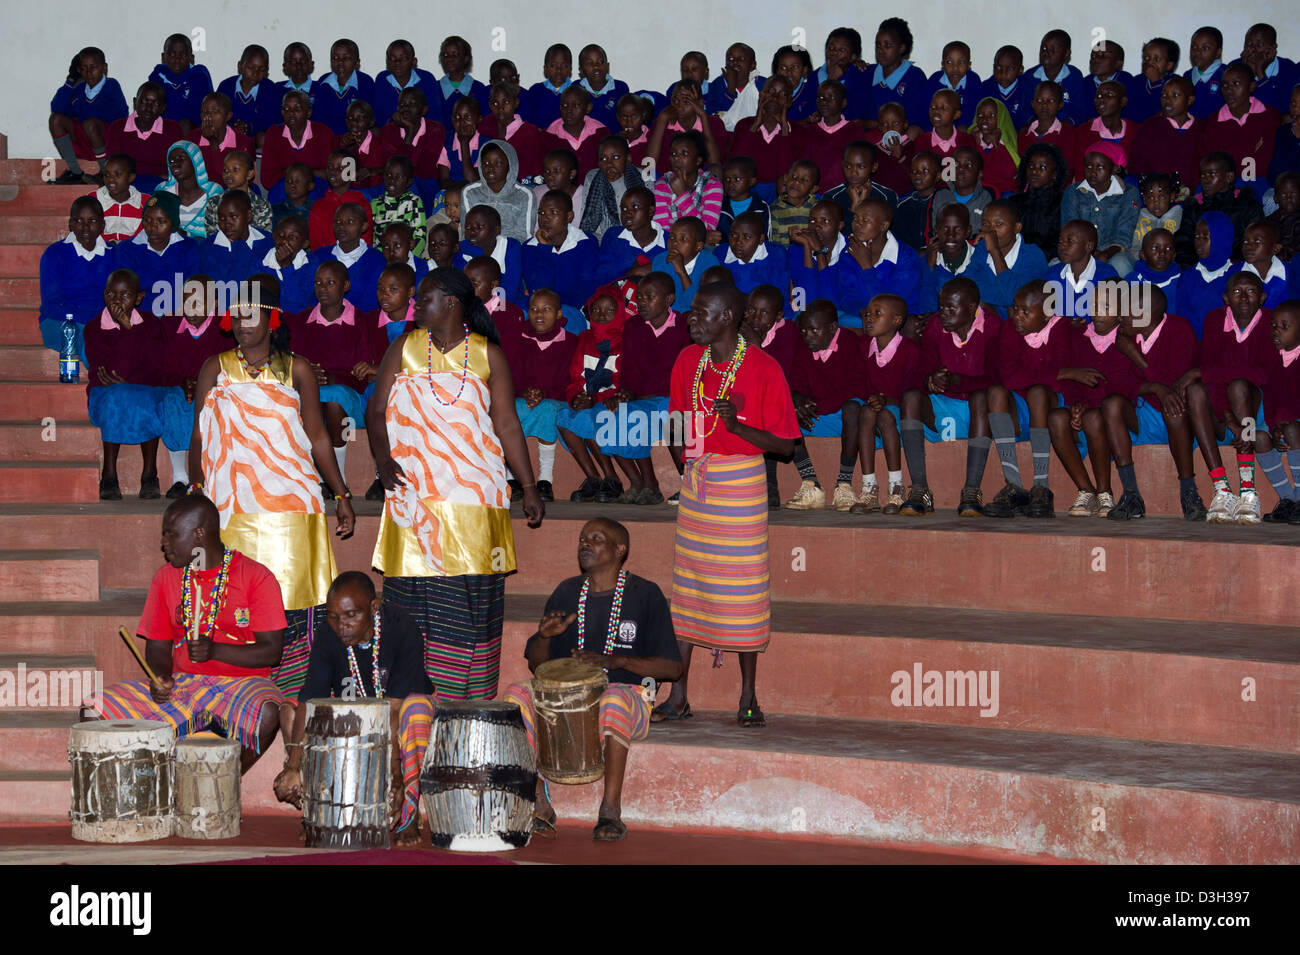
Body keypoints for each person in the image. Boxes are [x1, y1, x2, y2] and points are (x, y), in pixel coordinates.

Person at [369, 268, 543, 699]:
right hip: (415, 496)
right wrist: (381, 457)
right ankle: (411, 700)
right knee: (411, 597)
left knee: (468, 599)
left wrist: (530, 484)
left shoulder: (487, 355)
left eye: (423, 298)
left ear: (450, 302)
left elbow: (506, 423)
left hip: (473, 497)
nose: (414, 306)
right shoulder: (405, 348)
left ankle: (464, 705)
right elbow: (375, 413)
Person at [189, 276, 354, 701]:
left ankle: (298, 698)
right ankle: (239, 698)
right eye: (236, 315)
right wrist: (194, 487)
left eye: (251, 314)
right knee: (239, 604)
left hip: (292, 510)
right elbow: (199, 437)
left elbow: (318, 436)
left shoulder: (297, 369)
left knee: (295, 604)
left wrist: (341, 495)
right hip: (231, 508)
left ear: (271, 317)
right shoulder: (215, 368)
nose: (243, 323)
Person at [653, 282, 799, 727]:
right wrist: (684, 463)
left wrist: (738, 428)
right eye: (693, 311)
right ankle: (678, 696)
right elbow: (677, 419)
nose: (690, 319)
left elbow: (787, 447)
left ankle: (749, 697)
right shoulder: (687, 361)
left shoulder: (762, 368)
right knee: (689, 588)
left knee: (744, 589)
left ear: (729, 317)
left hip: (741, 485)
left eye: (701, 313)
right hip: (699, 486)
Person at [503, 518, 681, 841]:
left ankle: (610, 810)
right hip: (565, 701)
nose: (585, 544)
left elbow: (672, 668)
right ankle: (538, 800)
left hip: (628, 697)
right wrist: (545, 637)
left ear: (619, 550)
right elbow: (536, 663)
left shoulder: (645, 594)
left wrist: (619, 661)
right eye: (582, 539)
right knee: (516, 694)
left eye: (596, 539)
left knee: (612, 698)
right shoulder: (567, 591)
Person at [92, 495, 287, 773]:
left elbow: (272, 650)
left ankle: (225, 785)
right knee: (94, 709)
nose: (164, 543)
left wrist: (216, 651)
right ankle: (142, 794)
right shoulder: (165, 577)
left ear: (199, 533)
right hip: (184, 686)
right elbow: (158, 647)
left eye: (171, 534)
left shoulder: (256, 576)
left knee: (269, 711)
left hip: (242, 686)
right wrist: (160, 676)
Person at [274, 571, 435, 844]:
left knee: (415, 710)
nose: (342, 626)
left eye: (352, 616)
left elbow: (393, 712)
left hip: (399, 713)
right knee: (291, 709)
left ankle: (408, 813)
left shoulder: (401, 627)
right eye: (334, 617)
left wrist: (395, 775)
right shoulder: (328, 633)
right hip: (353, 709)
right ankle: (318, 811)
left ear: (373, 607)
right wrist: (294, 764)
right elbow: (309, 700)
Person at [1101, 285, 1206, 520]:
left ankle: (1189, 492)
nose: (1120, 317)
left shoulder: (1179, 329)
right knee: (1111, 404)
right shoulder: (1123, 336)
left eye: (1126, 311)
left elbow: (1174, 384)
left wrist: (1136, 357)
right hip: (1142, 414)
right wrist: (1155, 388)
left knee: (1174, 408)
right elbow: (1115, 383)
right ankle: (1131, 495)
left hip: (1178, 419)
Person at [900, 277, 1001, 517]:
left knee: (981, 396)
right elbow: (919, 370)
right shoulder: (936, 326)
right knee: (911, 397)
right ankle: (920, 490)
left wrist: (956, 380)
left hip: (981, 413)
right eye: (941, 307)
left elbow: (997, 377)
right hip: (945, 405)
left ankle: (972, 491)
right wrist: (930, 379)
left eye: (950, 308)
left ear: (971, 307)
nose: (943, 313)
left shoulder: (993, 326)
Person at [1185, 271, 1274, 524]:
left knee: (1238, 386)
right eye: (1237, 292)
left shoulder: (1270, 321)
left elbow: (1262, 374)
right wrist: (1228, 416)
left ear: (1262, 298)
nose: (1244, 297)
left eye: (1251, 292)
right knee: (1195, 390)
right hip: (1223, 407)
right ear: (1226, 298)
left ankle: (1248, 489)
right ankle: (1222, 489)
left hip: (1255, 406)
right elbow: (1210, 375)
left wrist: (1203, 371)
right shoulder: (1215, 320)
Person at [1048, 284, 1144, 517]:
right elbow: (1069, 378)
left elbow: (1126, 386)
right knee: (1056, 418)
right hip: (1086, 408)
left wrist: (1087, 407)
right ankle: (1086, 490)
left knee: (1093, 416)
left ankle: (1105, 492)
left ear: (1121, 313)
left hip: (1116, 417)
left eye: (1106, 307)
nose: (1097, 311)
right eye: (1093, 305)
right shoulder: (1078, 336)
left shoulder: (1128, 339)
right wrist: (1075, 405)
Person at [983, 282, 1070, 518]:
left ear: (1047, 315)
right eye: (1015, 309)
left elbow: (1062, 381)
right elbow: (1010, 378)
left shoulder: (1063, 329)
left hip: (1052, 403)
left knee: (1038, 392)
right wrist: (1060, 373)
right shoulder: (1010, 329)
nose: (1017, 317)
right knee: (996, 392)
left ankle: (1041, 487)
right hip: (1021, 401)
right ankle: (1014, 486)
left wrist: (1058, 375)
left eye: (1026, 312)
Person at [85, 269, 164, 501]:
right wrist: (126, 331)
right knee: (117, 396)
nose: (117, 301)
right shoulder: (94, 328)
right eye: (111, 294)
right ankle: (109, 475)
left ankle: (149, 473)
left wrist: (129, 329)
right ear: (104, 295)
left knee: (145, 397)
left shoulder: (151, 324)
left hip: (143, 388)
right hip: (105, 393)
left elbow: (156, 366)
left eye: (125, 295)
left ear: (139, 298)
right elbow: (107, 373)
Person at [614, 272, 691, 503]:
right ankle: (647, 483)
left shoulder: (684, 326)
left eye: (649, 296)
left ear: (668, 300)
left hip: (674, 397)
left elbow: (686, 373)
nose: (642, 302)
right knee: (614, 417)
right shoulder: (633, 327)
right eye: (639, 297)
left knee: (672, 416)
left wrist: (646, 394)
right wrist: (626, 391)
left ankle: (690, 483)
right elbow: (628, 369)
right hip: (644, 397)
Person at [785, 300, 866, 511]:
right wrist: (798, 399)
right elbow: (795, 381)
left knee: (853, 409)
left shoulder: (850, 343)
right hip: (817, 412)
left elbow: (857, 387)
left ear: (832, 328)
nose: (807, 335)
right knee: (785, 408)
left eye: (814, 330)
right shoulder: (803, 345)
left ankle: (844, 484)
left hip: (841, 414)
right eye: (803, 330)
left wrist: (816, 406)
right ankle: (811, 484)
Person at [557, 285, 631, 503]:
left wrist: (594, 399)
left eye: (609, 311)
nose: (601, 315)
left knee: (589, 418)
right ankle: (593, 477)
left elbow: (622, 381)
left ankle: (612, 478)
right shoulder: (585, 338)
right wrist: (576, 397)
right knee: (564, 418)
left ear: (619, 312)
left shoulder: (625, 340)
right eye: (596, 310)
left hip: (611, 401)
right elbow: (575, 375)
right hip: (588, 398)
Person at [851, 293, 920, 515]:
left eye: (877, 314)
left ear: (897, 320)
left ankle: (896, 487)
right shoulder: (863, 346)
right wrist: (873, 398)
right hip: (873, 406)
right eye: (868, 313)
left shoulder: (910, 350)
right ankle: (869, 488)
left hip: (898, 410)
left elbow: (910, 391)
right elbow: (858, 381)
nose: (869, 318)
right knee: (867, 412)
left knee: (884, 415)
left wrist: (885, 400)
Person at [159, 271, 225, 498]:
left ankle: (211, 475)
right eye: (187, 300)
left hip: (215, 389)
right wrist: (182, 382)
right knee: (173, 402)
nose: (192, 307)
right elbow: (162, 367)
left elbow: (229, 365)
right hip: (180, 389)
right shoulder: (169, 325)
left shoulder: (225, 328)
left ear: (214, 303)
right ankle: (180, 477)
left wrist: (205, 383)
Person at [37, 196, 113, 363]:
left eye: (92, 220)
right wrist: (92, 320)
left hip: (103, 321)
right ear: (70, 224)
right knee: (88, 337)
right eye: (79, 220)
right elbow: (51, 306)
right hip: (60, 322)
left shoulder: (114, 254)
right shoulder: (55, 254)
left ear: (102, 225)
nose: (85, 227)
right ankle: (103, 383)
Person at [48, 46, 128, 185]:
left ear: (104, 68)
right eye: (83, 68)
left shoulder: (112, 85)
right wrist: (70, 80)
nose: (89, 73)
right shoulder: (78, 89)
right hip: (88, 142)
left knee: (90, 123)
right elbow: (57, 108)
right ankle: (75, 172)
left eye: (93, 67)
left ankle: (105, 172)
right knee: (56, 120)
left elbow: (119, 117)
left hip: (109, 143)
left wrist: (83, 118)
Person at [1060, 141, 1141, 276]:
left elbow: (1125, 232)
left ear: (1114, 169)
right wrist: (1089, 253)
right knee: (1056, 265)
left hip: (1114, 252)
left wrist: (1106, 253)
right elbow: (1069, 227)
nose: (1093, 172)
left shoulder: (1128, 193)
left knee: (1120, 264)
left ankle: (1122, 296)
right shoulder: (1074, 191)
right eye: (1089, 166)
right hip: (1078, 249)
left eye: (1100, 167)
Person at [1255, 301, 1300, 522]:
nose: (1276, 331)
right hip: (1282, 423)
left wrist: (1284, 426)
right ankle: (1288, 500)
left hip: (1294, 424)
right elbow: (1270, 400)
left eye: (1284, 326)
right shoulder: (1273, 359)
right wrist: (1274, 428)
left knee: (1292, 428)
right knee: (1258, 437)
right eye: (1273, 325)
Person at [103, 83, 182, 193]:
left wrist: (168, 176)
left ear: (163, 108)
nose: (148, 108)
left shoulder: (173, 129)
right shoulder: (118, 127)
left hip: (160, 186)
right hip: (125, 186)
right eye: (144, 101)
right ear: (135, 102)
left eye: (155, 103)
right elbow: (112, 165)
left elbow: (179, 165)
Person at [1128, 76, 1201, 191]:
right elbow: (1136, 166)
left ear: (1190, 100)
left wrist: (1191, 189)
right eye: (1164, 95)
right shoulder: (1150, 127)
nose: (1167, 99)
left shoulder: (1201, 129)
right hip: (1156, 196)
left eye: (1175, 95)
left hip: (1191, 195)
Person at [461, 140, 536, 243]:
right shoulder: (470, 192)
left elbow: (524, 236)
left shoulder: (524, 195)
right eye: (486, 163)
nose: (491, 168)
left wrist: (499, 248)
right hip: (477, 247)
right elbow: (467, 232)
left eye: (498, 163)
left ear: (510, 165)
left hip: (510, 248)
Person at [260, 90, 333, 194]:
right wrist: (304, 174)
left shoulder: (322, 132)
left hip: (315, 187)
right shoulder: (274, 133)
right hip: (284, 188)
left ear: (308, 112)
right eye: (286, 109)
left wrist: (298, 174)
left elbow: (331, 174)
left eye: (297, 108)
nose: (291, 113)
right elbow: (267, 179)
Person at [652, 131, 723, 232]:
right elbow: (661, 231)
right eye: (673, 154)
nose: (676, 157)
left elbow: (708, 230)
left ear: (698, 160)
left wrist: (682, 195)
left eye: (684, 153)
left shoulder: (712, 185)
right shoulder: (661, 186)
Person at [799, 81, 864, 192]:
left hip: (845, 193)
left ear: (843, 103)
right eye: (820, 97)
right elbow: (804, 166)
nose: (824, 101)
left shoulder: (854, 130)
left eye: (831, 97)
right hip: (815, 193)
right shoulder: (810, 131)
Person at [1008, 141, 1069, 260]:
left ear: (1054, 174)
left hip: (1050, 259)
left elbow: (1060, 242)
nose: (1034, 171)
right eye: (1031, 166)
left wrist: (1036, 256)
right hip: (1017, 257)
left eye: (1042, 167)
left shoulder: (1062, 202)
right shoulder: (1015, 201)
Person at [649, 217, 719, 312]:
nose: (675, 242)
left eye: (683, 239)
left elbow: (698, 305)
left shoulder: (709, 263)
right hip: (668, 316)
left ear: (698, 246)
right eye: (672, 237)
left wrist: (681, 272)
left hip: (697, 317)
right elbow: (659, 302)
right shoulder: (661, 260)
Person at [595, 186, 665, 281]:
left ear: (650, 211)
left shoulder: (669, 241)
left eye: (635, 207)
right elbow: (603, 277)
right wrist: (633, 272)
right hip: (618, 294)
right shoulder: (614, 236)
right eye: (624, 209)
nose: (628, 213)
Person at [156, 140, 222, 239]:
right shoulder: (163, 191)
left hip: (204, 251)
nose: (175, 164)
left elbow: (218, 233)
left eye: (181, 158)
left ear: (195, 161)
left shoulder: (213, 191)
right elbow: (155, 227)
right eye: (172, 161)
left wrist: (185, 234)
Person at [216, 44, 282, 140]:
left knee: (263, 137)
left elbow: (271, 120)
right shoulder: (226, 86)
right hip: (228, 135)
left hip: (255, 138)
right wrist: (234, 127)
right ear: (240, 66)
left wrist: (249, 126)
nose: (255, 73)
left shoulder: (270, 89)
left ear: (266, 71)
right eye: (251, 68)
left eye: (261, 70)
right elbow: (218, 114)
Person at [311, 38, 375, 136]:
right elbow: (319, 121)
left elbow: (370, 119)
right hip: (329, 141)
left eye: (346, 58)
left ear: (357, 63)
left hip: (357, 139)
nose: (340, 62)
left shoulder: (366, 82)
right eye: (335, 58)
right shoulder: (323, 84)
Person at [187, 92, 257, 183]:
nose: (208, 116)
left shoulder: (242, 141)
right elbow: (196, 177)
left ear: (228, 116)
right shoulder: (192, 138)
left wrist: (213, 144)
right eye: (204, 111)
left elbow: (231, 181)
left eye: (215, 111)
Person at [148, 34, 213, 130]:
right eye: (172, 54)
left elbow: (207, 110)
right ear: (163, 57)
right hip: (163, 128)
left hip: (192, 129)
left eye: (183, 55)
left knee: (185, 124)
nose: (177, 59)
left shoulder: (200, 76)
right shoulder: (157, 76)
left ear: (191, 58)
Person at [373, 39, 442, 128]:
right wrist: (392, 120)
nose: (397, 62)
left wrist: (415, 123)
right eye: (392, 58)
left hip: (422, 133)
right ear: (387, 62)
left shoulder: (426, 79)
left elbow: (435, 115)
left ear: (414, 61)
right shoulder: (382, 80)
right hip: (391, 132)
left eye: (403, 58)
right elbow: (377, 115)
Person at [203, 150, 272, 236]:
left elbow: (264, 236)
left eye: (235, 170)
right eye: (225, 170)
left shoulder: (261, 205)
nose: (229, 174)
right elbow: (212, 236)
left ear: (249, 174)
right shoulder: (214, 203)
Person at [371, 155, 428, 257]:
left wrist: (408, 258)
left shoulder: (414, 202)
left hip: (405, 257)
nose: (392, 180)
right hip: (380, 257)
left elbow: (420, 236)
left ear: (409, 182)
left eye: (399, 177)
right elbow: (371, 237)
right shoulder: (376, 204)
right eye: (388, 175)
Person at [1030, 30, 1090, 124]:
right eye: (1043, 49)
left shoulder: (1074, 75)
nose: (1046, 53)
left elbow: (1079, 111)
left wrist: (1061, 127)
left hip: (1066, 129)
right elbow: (1025, 112)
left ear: (1066, 54)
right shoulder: (1029, 77)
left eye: (1052, 50)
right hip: (1037, 129)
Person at [720, 212, 787, 293]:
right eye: (734, 235)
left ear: (761, 239)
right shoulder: (720, 253)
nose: (738, 242)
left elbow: (779, 295)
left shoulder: (776, 254)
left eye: (747, 237)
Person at [966, 97, 1020, 198]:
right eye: (980, 115)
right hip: (979, 192)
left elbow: (1011, 172)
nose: (985, 120)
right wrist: (977, 145)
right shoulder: (971, 140)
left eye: (991, 115)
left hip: (1005, 192)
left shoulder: (1006, 142)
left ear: (1000, 118)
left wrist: (997, 147)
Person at [89, 155, 148, 245]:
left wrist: (123, 246)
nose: (111, 179)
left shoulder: (145, 202)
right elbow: (88, 230)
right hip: (102, 251)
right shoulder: (93, 200)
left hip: (132, 253)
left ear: (130, 177)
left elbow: (144, 236)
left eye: (118, 174)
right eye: (106, 175)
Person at [925, 40, 982, 132]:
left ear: (969, 65)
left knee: (962, 129)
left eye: (961, 62)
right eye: (949, 62)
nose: (955, 67)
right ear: (942, 64)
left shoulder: (973, 80)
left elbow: (973, 112)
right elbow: (927, 108)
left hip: (962, 126)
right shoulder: (935, 80)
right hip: (937, 124)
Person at [1128, 174, 1183, 264]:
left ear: (1172, 196)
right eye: (1151, 197)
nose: (1156, 202)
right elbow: (1133, 246)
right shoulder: (1138, 216)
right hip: (1139, 262)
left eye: (1161, 197)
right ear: (1144, 199)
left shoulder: (1179, 216)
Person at [768, 160, 820, 247]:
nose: (797, 182)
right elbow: (775, 246)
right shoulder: (774, 210)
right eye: (794, 176)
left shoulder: (818, 208)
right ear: (785, 178)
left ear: (813, 189)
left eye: (804, 180)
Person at [979, 46, 1034, 127]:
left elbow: (1027, 121)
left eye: (1010, 68)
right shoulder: (985, 88)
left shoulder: (1027, 89)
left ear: (1020, 70)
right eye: (998, 67)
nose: (1003, 73)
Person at [1184, 27, 1226, 120]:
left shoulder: (1226, 74)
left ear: (1218, 52)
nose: (1198, 52)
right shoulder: (1187, 77)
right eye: (1194, 47)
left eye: (1205, 48)